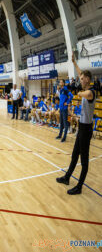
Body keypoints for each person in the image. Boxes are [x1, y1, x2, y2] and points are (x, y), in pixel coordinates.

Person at [56, 54, 95, 195]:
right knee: (74, 155)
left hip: (86, 130)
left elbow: (82, 94)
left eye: (83, 78)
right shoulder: (86, 87)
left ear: (88, 80)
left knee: (84, 160)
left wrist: (77, 91)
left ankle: (79, 187)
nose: (81, 79)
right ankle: (67, 178)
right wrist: (74, 62)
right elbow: (80, 74)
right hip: (82, 128)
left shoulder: (91, 92)